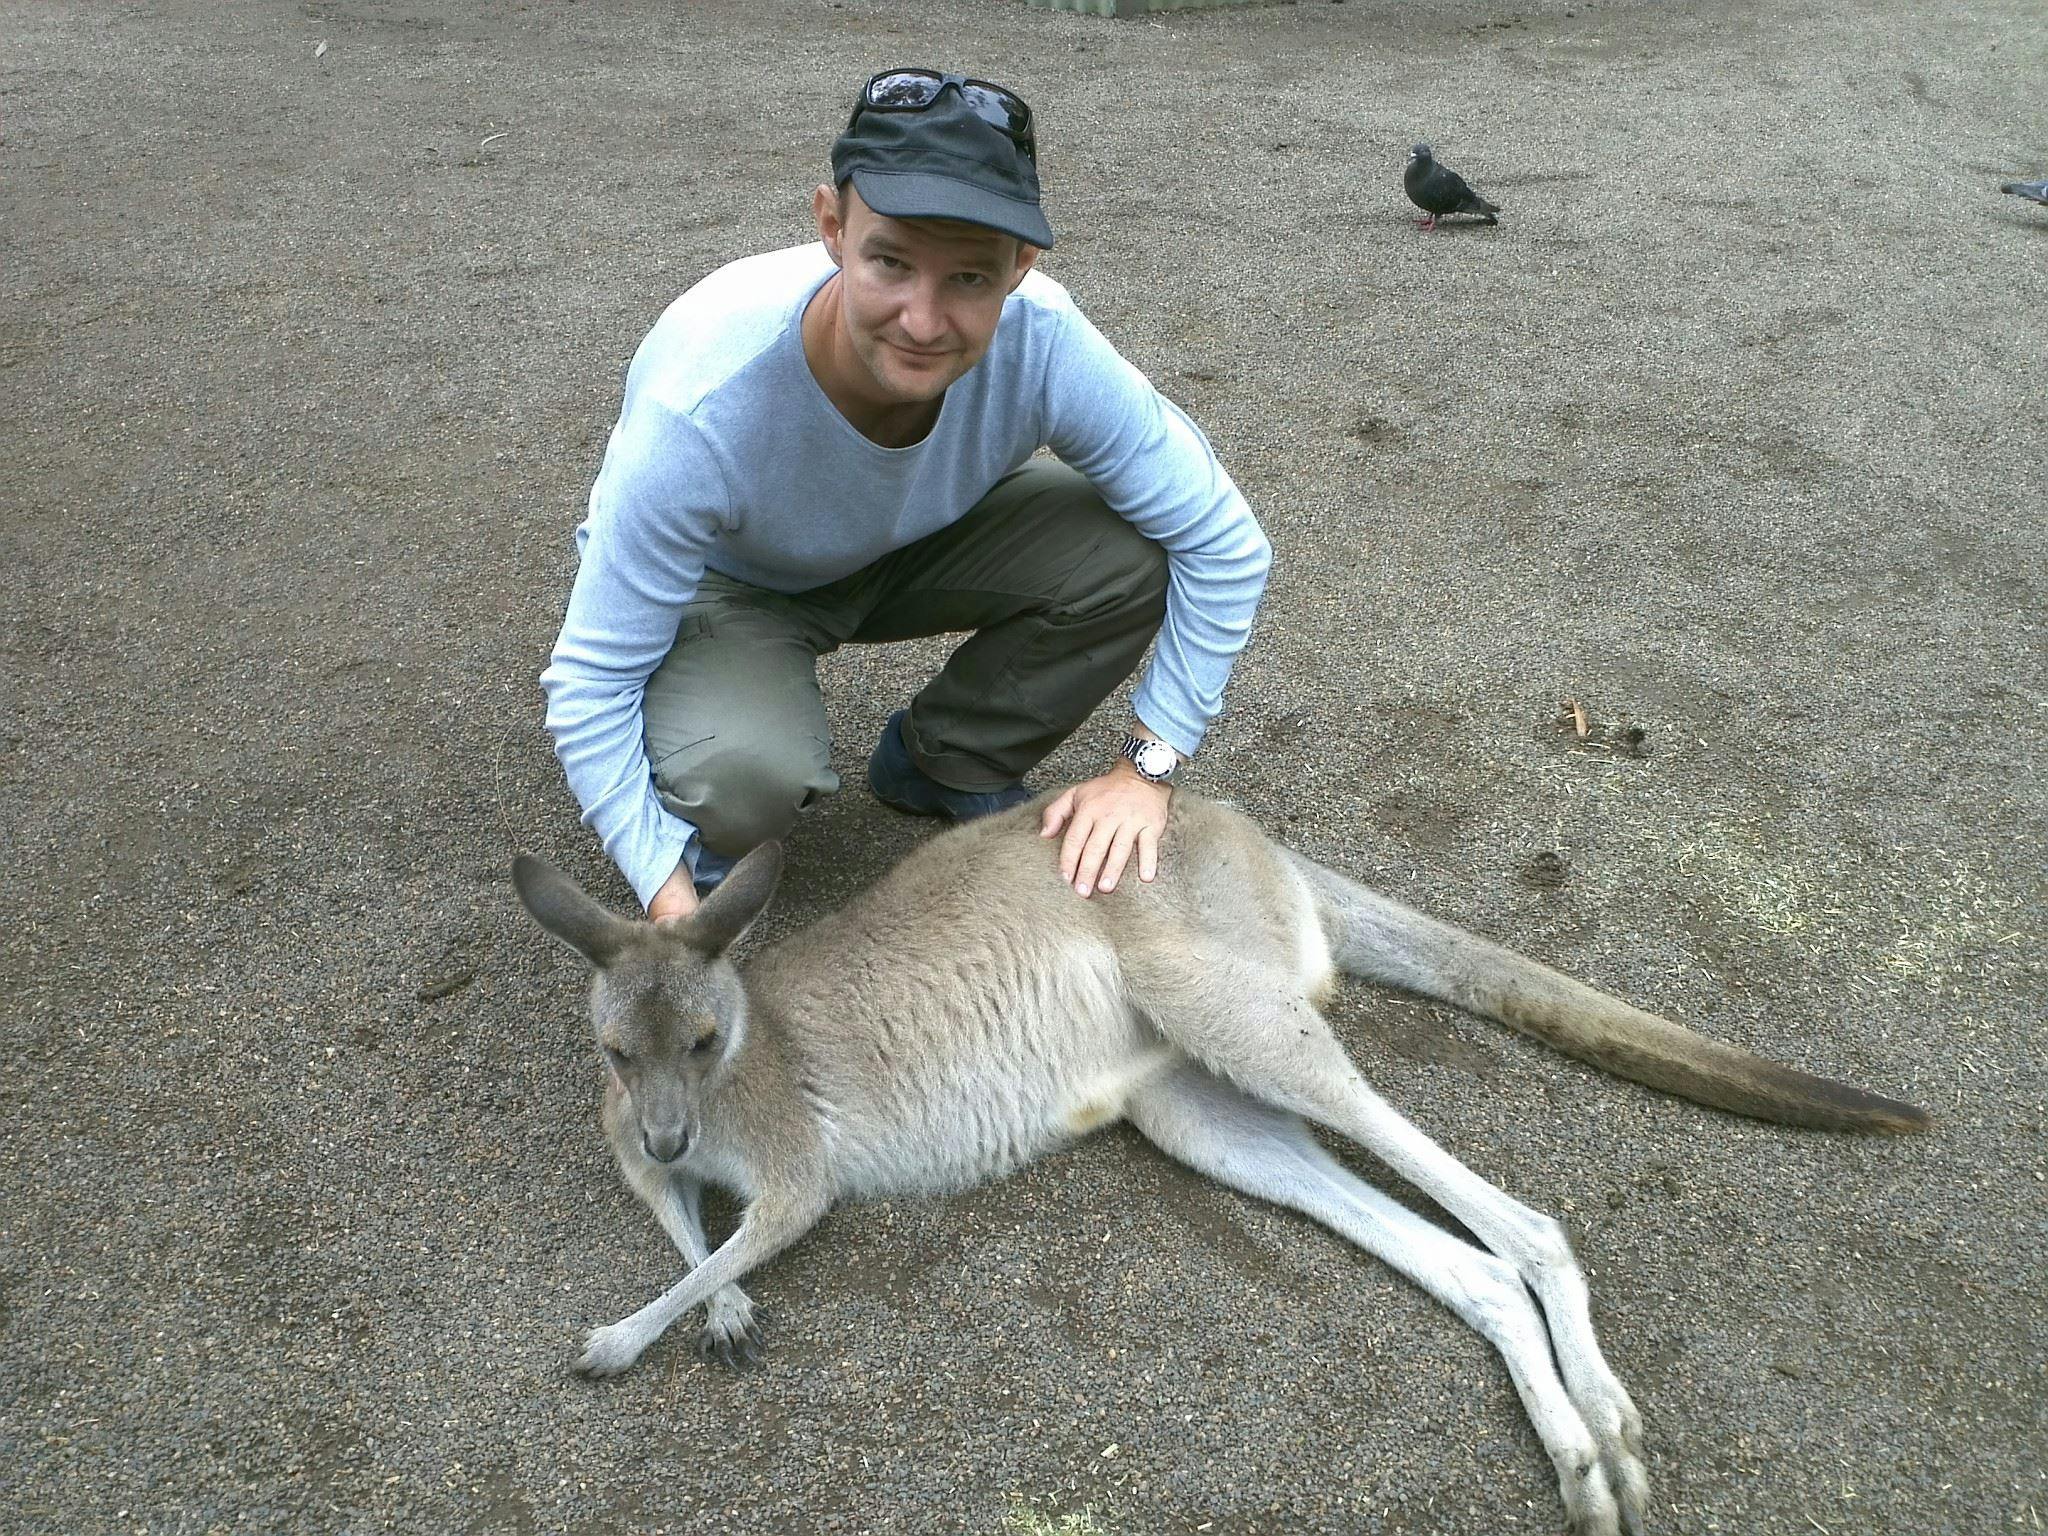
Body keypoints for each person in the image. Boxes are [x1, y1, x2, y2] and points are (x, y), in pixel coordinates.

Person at [542, 68, 1271, 923]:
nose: (923, 321)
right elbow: (590, 681)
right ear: (831, 227)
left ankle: (944, 759)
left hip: (910, 539)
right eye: (890, 261)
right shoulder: (702, 402)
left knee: (1137, 549)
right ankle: (708, 774)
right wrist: (672, 918)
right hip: (734, 580)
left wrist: (1144, 774)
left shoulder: (1043, 337)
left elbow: (1226, 543)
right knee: (744, 779)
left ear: (1020, 268)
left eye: (969, 278)